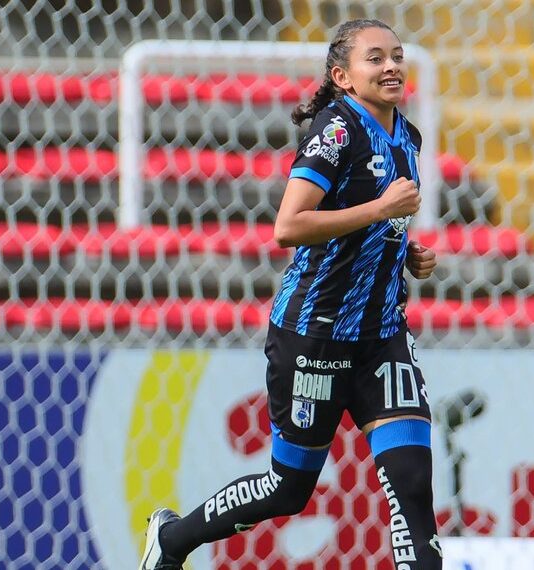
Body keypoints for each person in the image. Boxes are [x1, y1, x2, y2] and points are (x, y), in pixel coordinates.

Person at [139, 19, 443, 569]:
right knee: (289, 489)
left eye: (396, 55)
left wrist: (407, 254)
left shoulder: (408, 136)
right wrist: (381, 211)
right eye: (375, 58)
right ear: (342, 76)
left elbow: (380, 226)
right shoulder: (336, 133)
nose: (392, 65)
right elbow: (289, 225)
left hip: (382, 338)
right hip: (315, 337)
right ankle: (173, 538)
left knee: (413, 489)